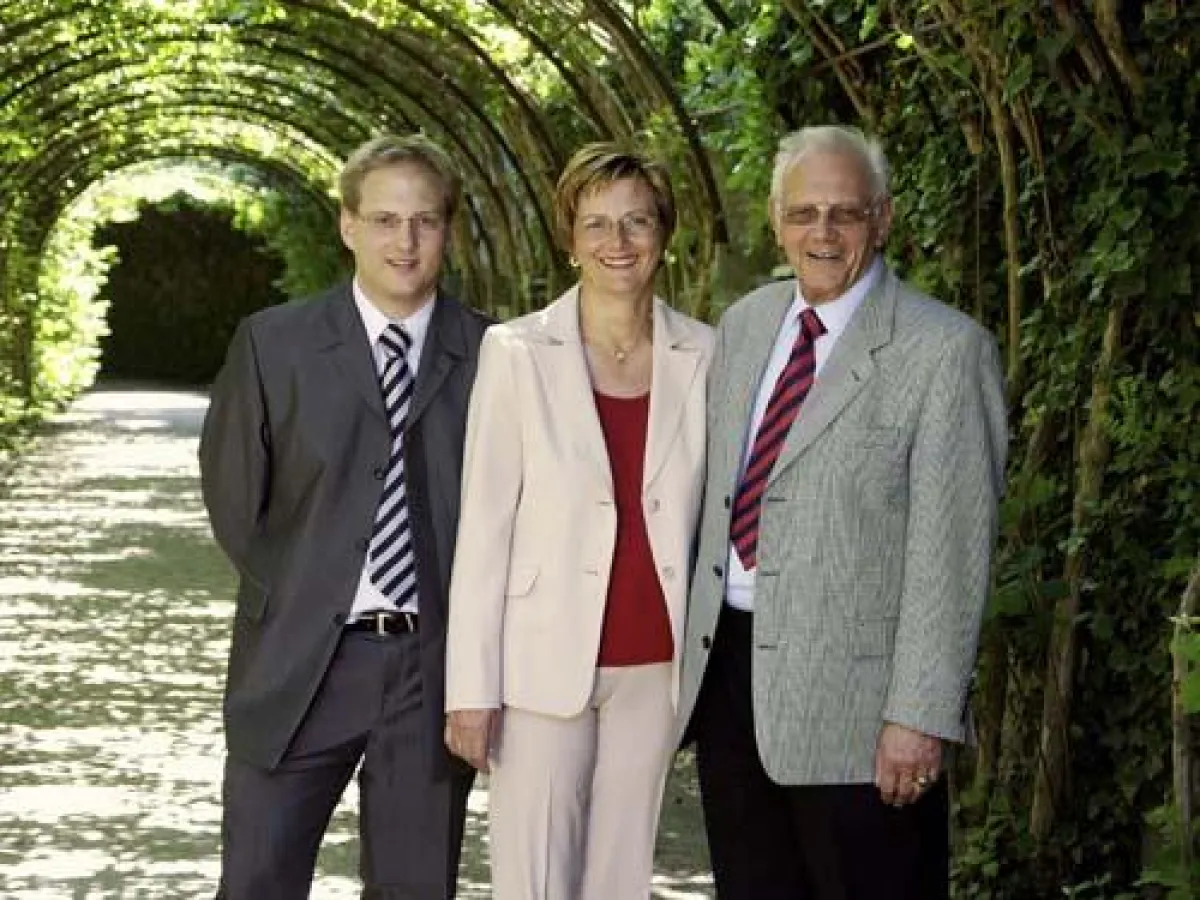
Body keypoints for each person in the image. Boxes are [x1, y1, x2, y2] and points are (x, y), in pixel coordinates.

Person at [676, 125, 1008, 900]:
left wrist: (919, 717)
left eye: (845, 213)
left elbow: (951, 557)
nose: (821, 233)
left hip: (863, 718)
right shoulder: (746, 325)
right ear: (775, 218)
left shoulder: (945, 352)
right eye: (803, 213)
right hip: (733, 684)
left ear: (883, 220)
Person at [199, 133, 490, 900]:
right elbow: (234, 499)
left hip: (432, 674)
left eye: (425, 221)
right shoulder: (273, 344)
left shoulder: (497, 354)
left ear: (448, 232)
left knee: (414, 888)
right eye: (386, 219)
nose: (406, 240)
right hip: (297, 663)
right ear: (348, 226)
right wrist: (304, 592)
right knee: (258, 878)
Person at [443, 143, 714, 900]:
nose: (617, 243)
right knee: (534, 877)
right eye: (597, 223)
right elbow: (485, 525)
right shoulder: (516, 351)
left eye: (636, 222)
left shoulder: (706, 352)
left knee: (619, 879)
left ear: (664, 233)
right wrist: (470, 684)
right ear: (571, 238)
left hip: (655, 664)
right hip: (538, 660)